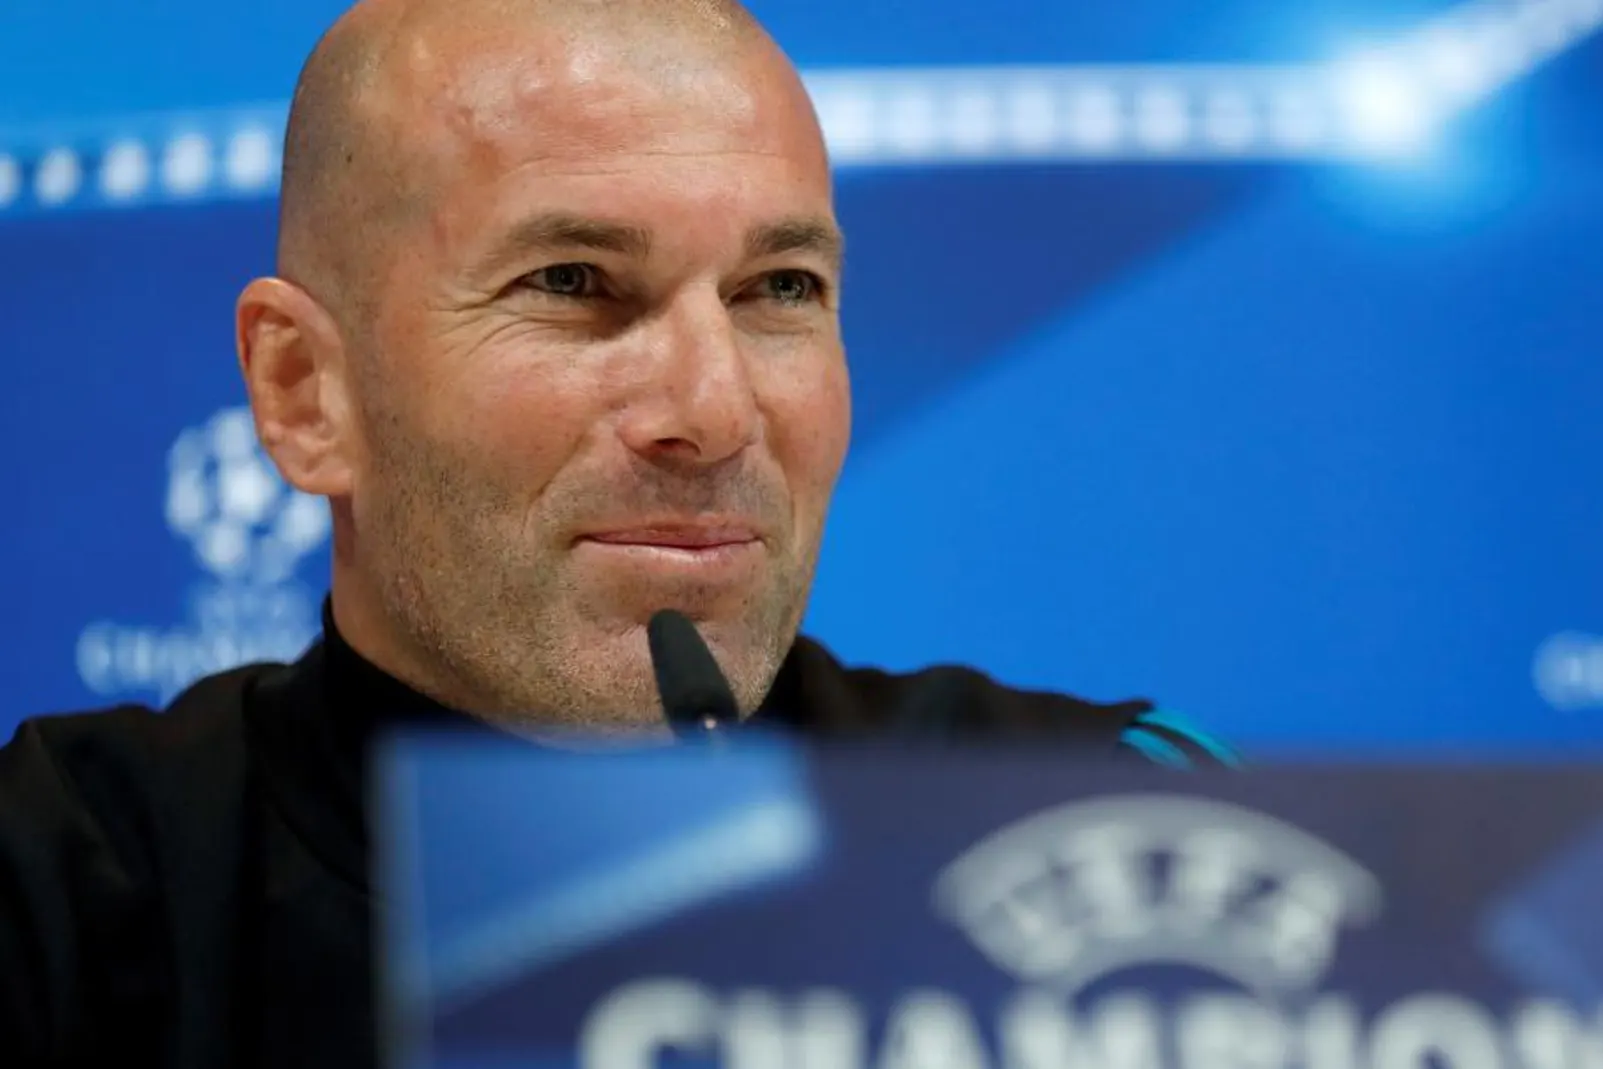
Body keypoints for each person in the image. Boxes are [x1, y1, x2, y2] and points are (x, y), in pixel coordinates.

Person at [0, 1, 1233, 1065]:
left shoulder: (1107, 834)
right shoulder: (53, 887)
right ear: (304, 393)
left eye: (779, 290)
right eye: (575, 282)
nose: (709, 410)